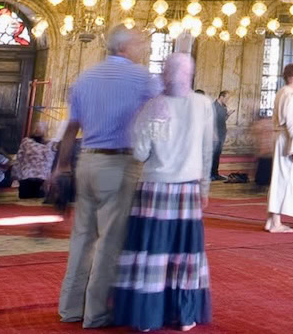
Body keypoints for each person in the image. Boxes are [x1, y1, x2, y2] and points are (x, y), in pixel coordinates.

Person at [57, 26, 160, 328]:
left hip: (86, 161)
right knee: (109, 243)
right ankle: (96, 314)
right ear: (124, 47)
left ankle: (70, 308)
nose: (144, 48)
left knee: (82, 239)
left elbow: (70, 128)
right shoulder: (142, 77)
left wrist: (61, 166)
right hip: (117, 164)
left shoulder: (85, 77)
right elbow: (163, 115)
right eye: (141, 43)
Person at [110, 52, 212, 332]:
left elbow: (141, 153)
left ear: (165, 73)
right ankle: (185, 314)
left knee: (152, 252)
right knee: (185, 254)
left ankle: (147, 315)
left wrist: (149, 129)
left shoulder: (153, 106)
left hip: (155, 188)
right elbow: (207, 151)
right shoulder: (204, 104)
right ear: (190, 74)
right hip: (188, 188)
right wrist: (205, 187)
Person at [265, 63, 293, 233]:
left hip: (282, 138)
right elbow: (291, 124)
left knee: (278, 178)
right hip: (287, 139)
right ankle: (275, 223)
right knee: (283, 180)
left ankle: (272, 220)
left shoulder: (281, 93)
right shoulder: (290, 96)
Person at [15, 128, 55, 201]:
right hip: (39, 178)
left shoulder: (26, 142)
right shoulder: (49, 145)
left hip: (29, 177)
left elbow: (19, 159)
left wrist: (16, 175)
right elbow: (50, 162)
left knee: (24, 205)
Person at [209, 90, 231, 181]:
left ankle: (215, 173)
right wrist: (213, 134)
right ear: (221, 97)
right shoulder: (213, 106)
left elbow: (223, 119)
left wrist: (228, 115)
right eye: (226, 98)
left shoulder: (224, 107)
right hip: (215, 134)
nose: (227, 100)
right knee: (213, 154)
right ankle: (210, 174)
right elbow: (211, 122)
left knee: (217, 154)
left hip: (221, 133)